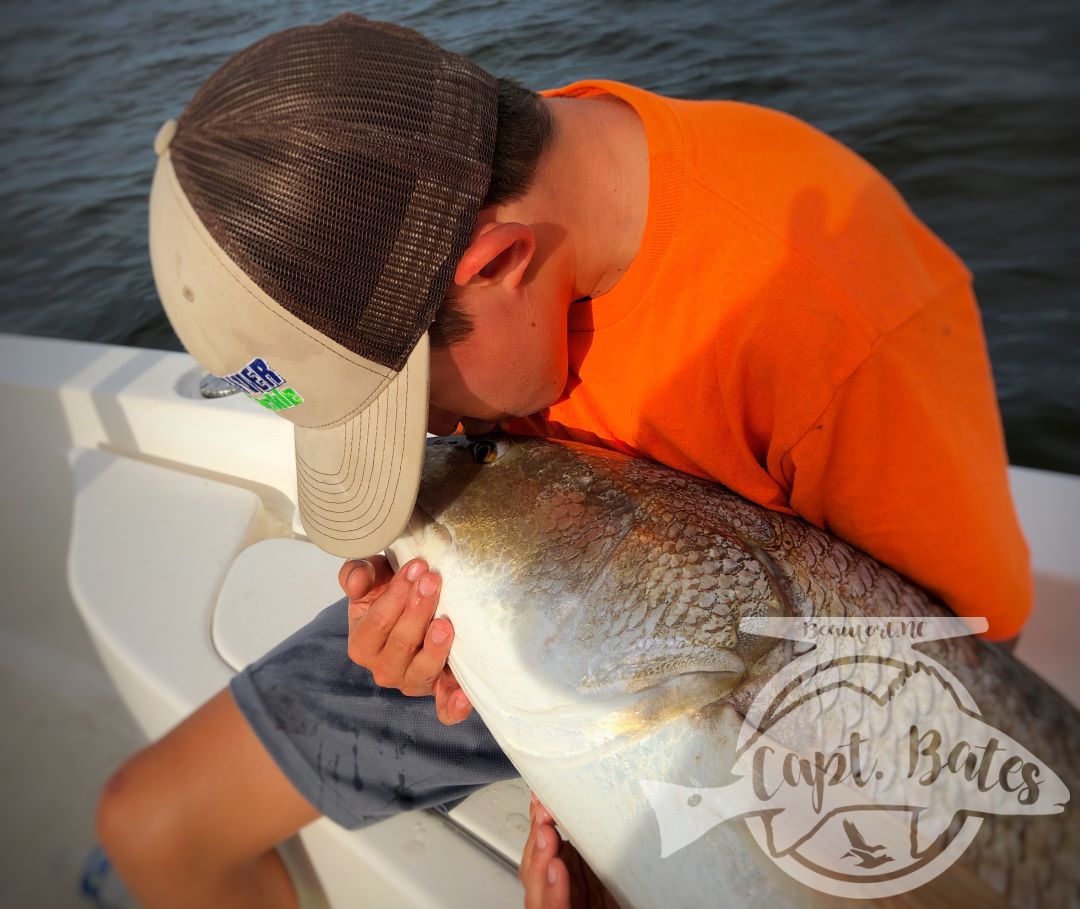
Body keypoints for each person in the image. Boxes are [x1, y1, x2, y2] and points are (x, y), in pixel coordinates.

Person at [96, 12, 1032, 909]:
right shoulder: (460, 171)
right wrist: (417, 640)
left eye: (413, 406)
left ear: (499, 263)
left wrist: (644, 842)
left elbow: (954, 718)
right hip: (549, 614)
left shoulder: (842, 316)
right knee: (150, 825)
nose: (432, 440)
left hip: (752, 710)